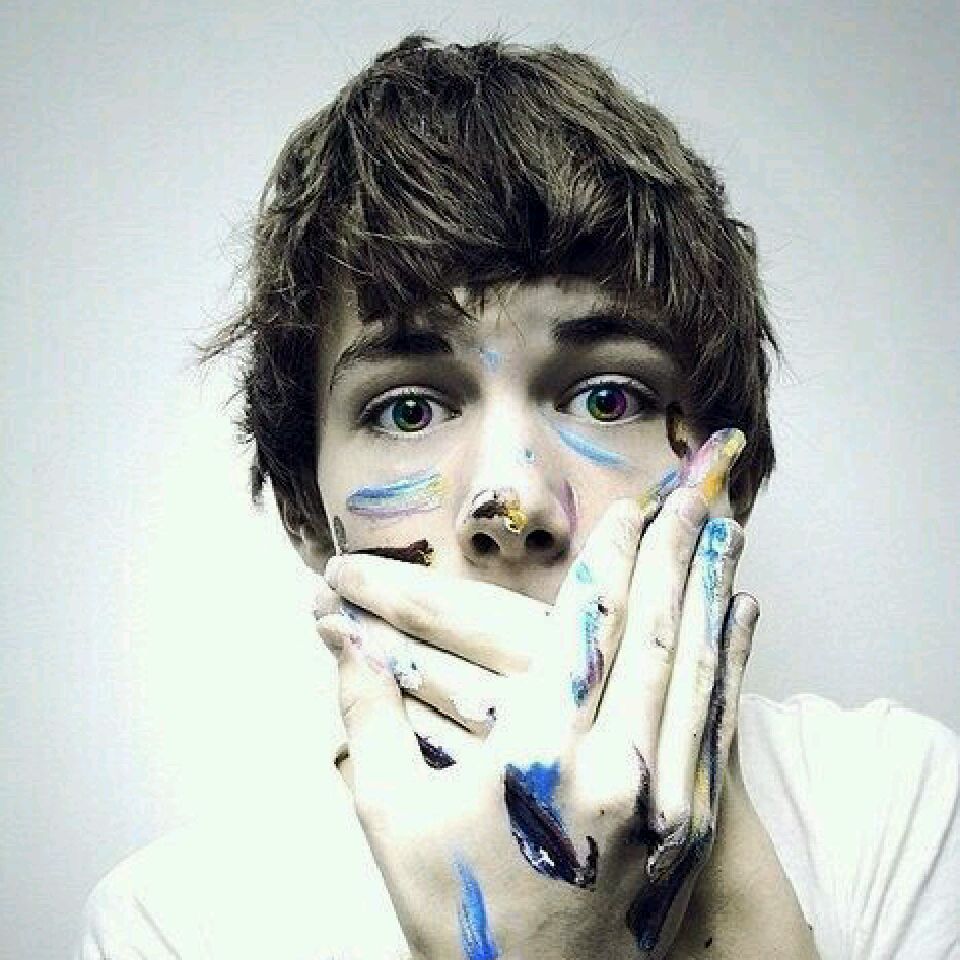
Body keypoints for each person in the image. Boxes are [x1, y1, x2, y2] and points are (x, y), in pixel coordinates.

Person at [77, 34, 959, 960]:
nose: (513, 504)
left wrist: (728, 900)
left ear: (727, 479)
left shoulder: (895, 809)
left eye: (607, 398)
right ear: (305, 508)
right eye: (409, 409)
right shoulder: (175, 923)